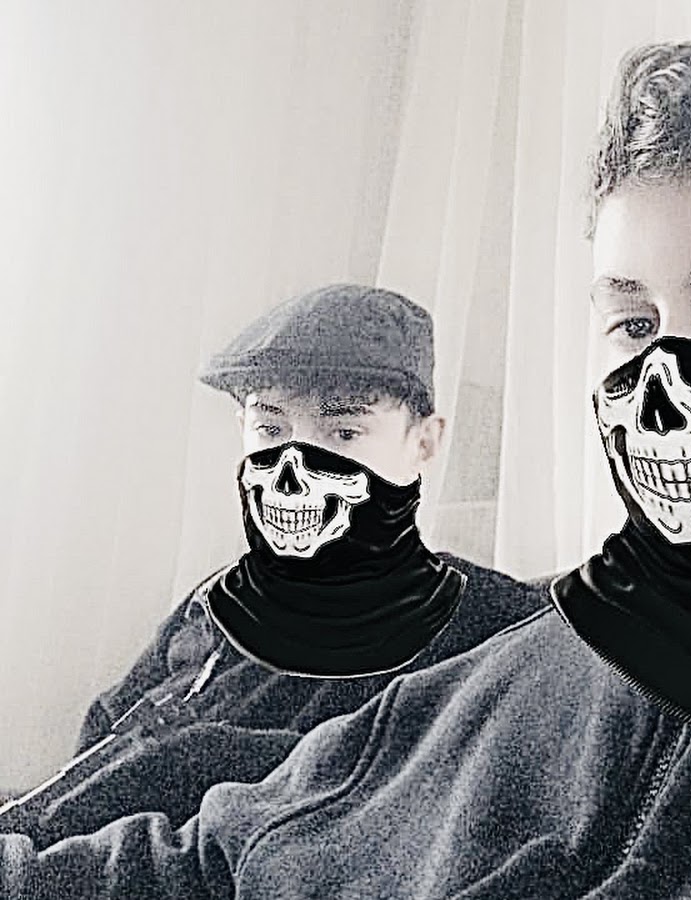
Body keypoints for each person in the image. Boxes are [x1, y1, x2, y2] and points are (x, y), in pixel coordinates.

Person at [3, 28, 691, 899]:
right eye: (633, 324)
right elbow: (207, 859)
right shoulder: (520, 671)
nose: (659, 402)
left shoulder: (476, 621)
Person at [0, 284, 547, 850]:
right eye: (270, 430)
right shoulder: (216, 603)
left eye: (344, 433)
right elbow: (89, 760)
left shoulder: (486, 626)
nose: (292, 474)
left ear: (424, 443)